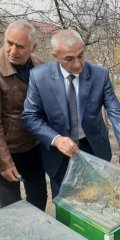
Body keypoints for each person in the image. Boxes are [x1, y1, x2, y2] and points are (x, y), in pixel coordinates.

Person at [22, 29, 120, 199]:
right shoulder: (39, 77)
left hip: (92, 148)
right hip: (58, 152)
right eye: (69, 59)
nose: (77, 64)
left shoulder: (100, 75)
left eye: (80, 56)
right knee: (64, 201)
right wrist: (56, 139)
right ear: (55, 56)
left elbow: (117, 112)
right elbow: (30, 116)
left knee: (98, 198)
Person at [0, 20, 47, 210]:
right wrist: (4, 163)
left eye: (20, 46)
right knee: (10, 207)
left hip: (33, 148)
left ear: (33, 47)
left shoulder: (40, 67)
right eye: (9, 43)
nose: (12, 50)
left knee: (39, 198)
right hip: (6, 151)